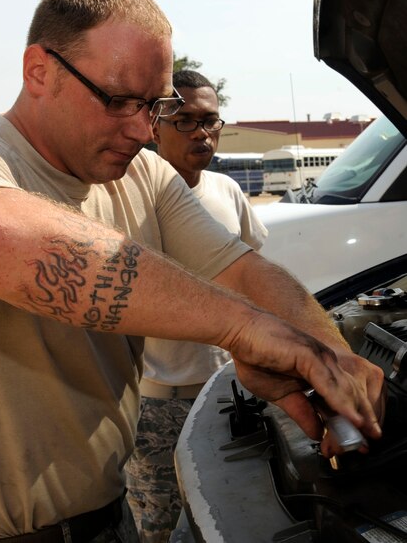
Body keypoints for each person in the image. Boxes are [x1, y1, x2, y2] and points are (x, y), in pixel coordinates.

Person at [0, 0, 384, 543]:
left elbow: (246, 271)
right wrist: (244, 330)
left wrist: (336, 362)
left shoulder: (144, 175)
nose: (141, 129)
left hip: (108, 517)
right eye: (118, 100)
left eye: (153, 105)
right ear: (39, 71)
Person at [126, 69, 268, 543]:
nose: (202, 133)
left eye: (210, 120)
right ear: (154, 125)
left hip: (229, 396)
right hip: (157, 409)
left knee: (234, 521)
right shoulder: (128, 201)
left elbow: (251, 275)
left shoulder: (227, 191)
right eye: (185, 120)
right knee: (161, 529)